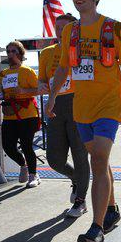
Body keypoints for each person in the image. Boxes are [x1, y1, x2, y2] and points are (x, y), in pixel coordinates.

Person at [46, 0, 121, 242]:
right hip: (82, 109)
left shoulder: (113, 28)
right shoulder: (70, 31)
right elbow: (63, 68)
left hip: (109, 106)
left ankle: (96, 228)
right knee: (100, 160)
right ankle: (111, 208)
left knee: (98, 160)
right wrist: (52, 98)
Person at [38, 13, 90, 218]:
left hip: (79, 103)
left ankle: (80, 200)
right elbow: (42, 80)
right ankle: (77, 178)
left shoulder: (83, 49)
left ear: (74, 29)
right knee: (54, 159)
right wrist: (42, 86)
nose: (60, 31)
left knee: (80, 155)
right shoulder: (46, 53)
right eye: (57, 27)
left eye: (64, 27)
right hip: (56, 106)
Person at [0, 41, 47, 188]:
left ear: (21, 54)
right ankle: (23, 165)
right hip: (10, 115)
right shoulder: (3, 74)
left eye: (14, 51)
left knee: (26, 145)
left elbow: (40, 90)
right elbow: (2, 95)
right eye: (8, 51)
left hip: (28, 115)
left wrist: (23, 91)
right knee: (8, 146)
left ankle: (34, 175)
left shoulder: (27, 71)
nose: (10, 54)